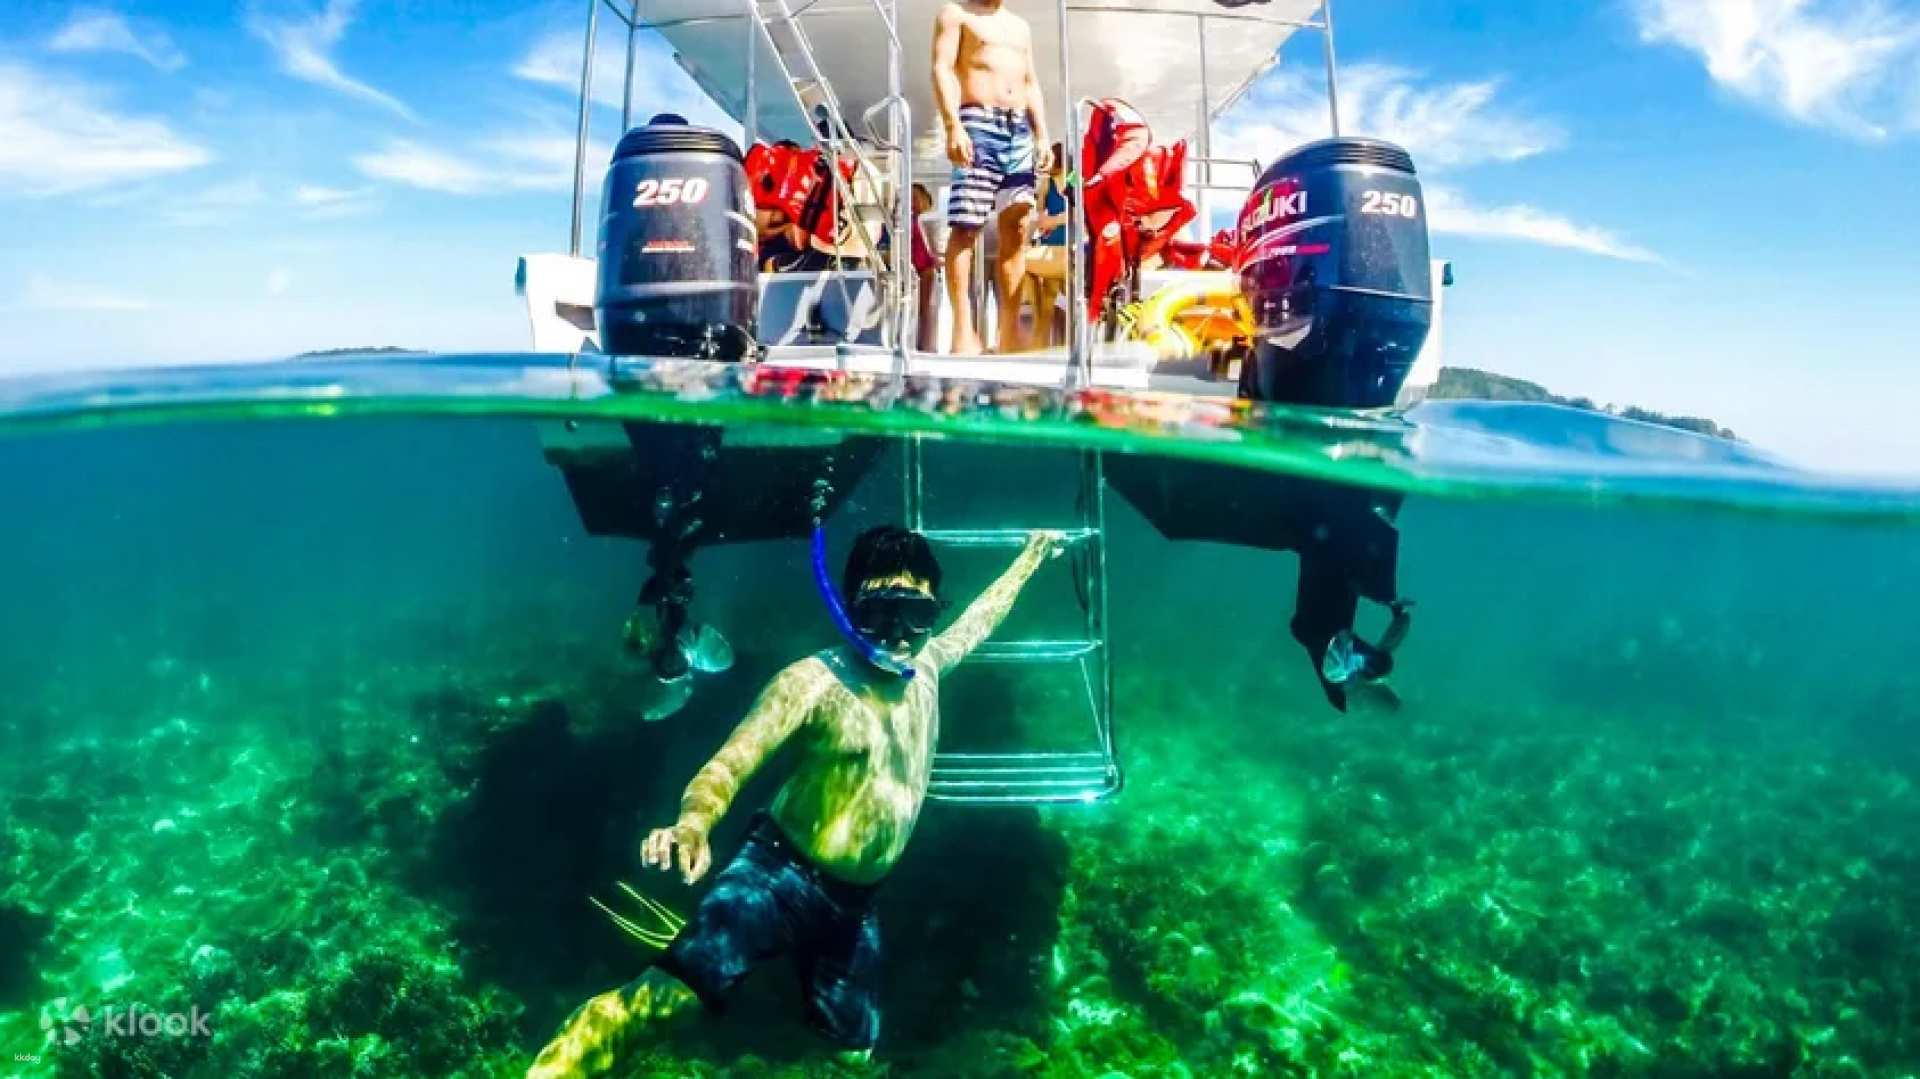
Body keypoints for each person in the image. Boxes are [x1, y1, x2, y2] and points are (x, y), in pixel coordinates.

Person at [527, 527, 1065, 1077]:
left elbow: (978, 620)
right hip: (777, 877)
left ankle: (741, 977)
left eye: (916, 614)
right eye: (880, 612)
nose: (898, 633)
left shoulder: (927, 667)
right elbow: (731, 762)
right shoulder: (810, 683)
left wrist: (1031, 557)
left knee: (852, 1058)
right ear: (847, 606)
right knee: (659, 1005)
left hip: (855, 905)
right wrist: (693, 823)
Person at [932, 0, 1052, 354]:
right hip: (977, 124)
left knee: (1017, 226)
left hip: (1018, 130)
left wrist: (1042, 134)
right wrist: (953, 125)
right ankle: (963, 332)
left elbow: (1030, 82)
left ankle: (1009, 333)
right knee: (966, 226)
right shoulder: (955, 14)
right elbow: (941, 69)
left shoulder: (1020, 26)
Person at [1021, 143, 1071, 348]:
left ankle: (1055, 341)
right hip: (1050, 244)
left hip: (1069, 247)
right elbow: (1036, 215)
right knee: (1048, 299)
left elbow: (1082, 214)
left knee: (1065, 300)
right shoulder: (1047, 184)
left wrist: (1054, 220)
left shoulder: (1075, 181)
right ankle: (1040, 341)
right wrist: (1024, 241)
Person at [911, 183, 942, 352]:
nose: (913, 202)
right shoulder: (907, 221)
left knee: (926, 310)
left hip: (926, 269)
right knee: (915, 310)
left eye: (915, 197)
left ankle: (927, 345)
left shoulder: (929, 220)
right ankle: (917, 343)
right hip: (912, 270)